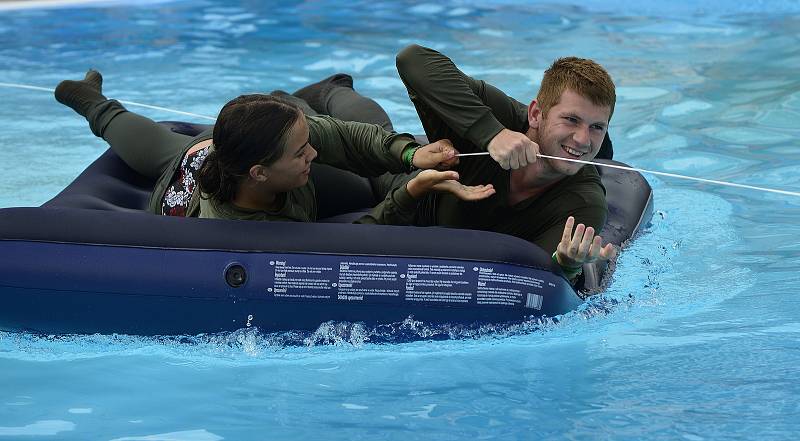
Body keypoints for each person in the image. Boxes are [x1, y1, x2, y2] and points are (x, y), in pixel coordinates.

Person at [53, 70, 494, 225]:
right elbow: (359, 233)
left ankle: (90, 99)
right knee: (370, 181)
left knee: (352, 133)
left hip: (215, 154)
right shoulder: (244, 228)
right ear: (260, 171)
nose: (312, 155)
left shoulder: (266, 163)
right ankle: (328, 89)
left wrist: (409, 155)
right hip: (188, 180)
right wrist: (410, 191)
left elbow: (340, 137)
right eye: (301, 151)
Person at [384, 44, 618, 282]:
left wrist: (567, 266)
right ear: (536, 114)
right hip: (402, 186)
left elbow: (542, 286)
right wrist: (491, 134)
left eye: (597, 127)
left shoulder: (585, 203)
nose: (582, 139)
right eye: (571, 120)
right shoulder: (500, 116)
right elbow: (412, 59)